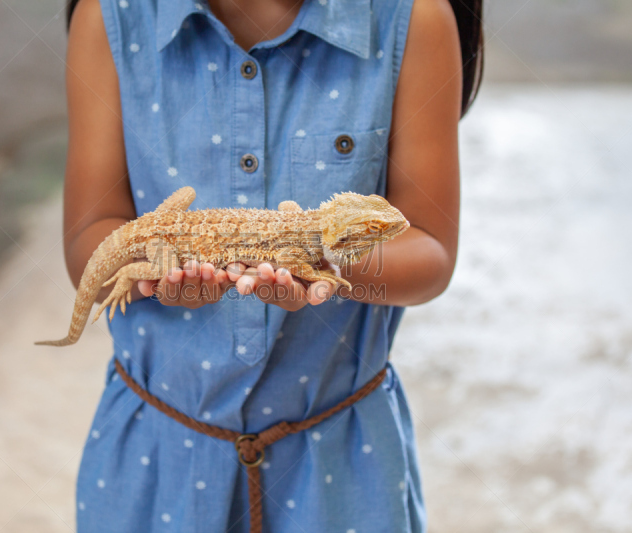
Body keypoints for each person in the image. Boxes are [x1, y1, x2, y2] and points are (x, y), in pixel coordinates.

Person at [62, 0, 482, 530]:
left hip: (341, 463)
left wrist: (323, 265)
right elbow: (89, 241)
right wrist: (153, 277)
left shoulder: (413, 17)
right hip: (156, 456)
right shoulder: (111, 17)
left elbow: (430, 251)